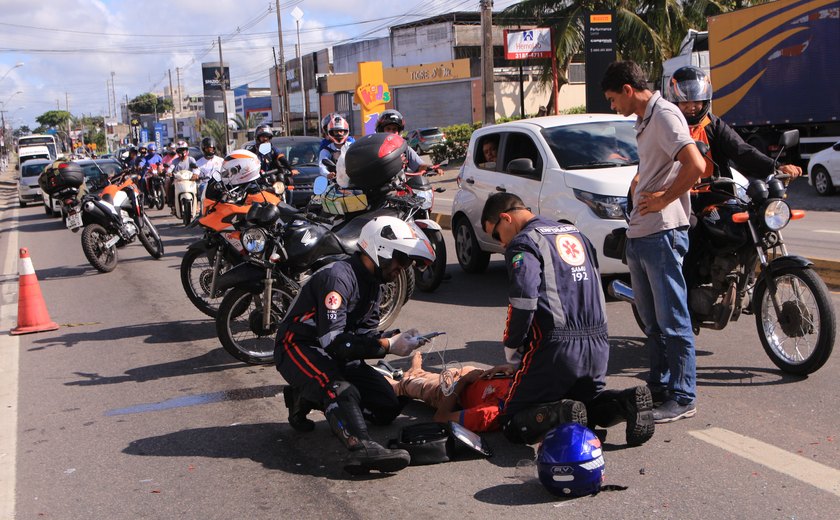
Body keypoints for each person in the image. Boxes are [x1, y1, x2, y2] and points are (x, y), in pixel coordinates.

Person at [480, 192, 655, 445]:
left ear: (506, 218)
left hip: (556, 347)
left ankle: (560, 414)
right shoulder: (575, 234)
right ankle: (625, 402)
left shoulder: (524, 242)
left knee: (511, 419)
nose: (502, 244)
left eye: (496, 235)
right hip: (597, 344)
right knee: (585, 405)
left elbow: (523, 299)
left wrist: (513, 345)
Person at [276, 215, 437, 475]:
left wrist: (398, 338)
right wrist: (387, 346)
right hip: (298, 346)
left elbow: (363, 337)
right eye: (402, 259)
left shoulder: (375, 287)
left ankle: (304, 396)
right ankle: (360, 446)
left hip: (333, 351)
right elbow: (335, 342)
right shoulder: (338, 279)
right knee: (340, 388)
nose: (403, 268)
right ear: (380, 249)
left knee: (387, 405)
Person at [601, 60, 706, 423]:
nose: (613, 106)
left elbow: (695, 164)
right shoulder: (645, 121)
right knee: (653, 322)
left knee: (673, 320)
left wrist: (663, 199)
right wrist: (640, 182)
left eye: (613, 99)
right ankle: (661, 386)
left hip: (662, 232)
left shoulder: (664, 115)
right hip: (641, 232)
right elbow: (659, 165)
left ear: (628, 90)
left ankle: (683, 395)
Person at [667, 66, 802, 181]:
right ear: (675, 102)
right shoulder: (667, 127)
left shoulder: (714, 125)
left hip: (715, 196)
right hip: (676, 198)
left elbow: (742, 151)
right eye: (685, 102)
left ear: (705, 101)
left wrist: (776, 167)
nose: (691, 107)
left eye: (697, 102)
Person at [385, 350, 514, 432]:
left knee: (400, 386)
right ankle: (417, 373)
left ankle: (405, 382)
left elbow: (441, 417)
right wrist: (506, 368)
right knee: (433, 378)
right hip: (464, 375)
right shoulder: (523, 386)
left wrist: (463, 381)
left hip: (449, 392)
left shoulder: (489, 413)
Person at [375, 110, 440, 175]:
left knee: (422, 183)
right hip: (378, 184)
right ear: (381, 130)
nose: (391, 132)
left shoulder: (404, 149)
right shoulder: (375, 148)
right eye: (388, 129)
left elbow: (419, 166)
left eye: (394, 129)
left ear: (399, 132)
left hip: (398, 184)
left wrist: (431, 167)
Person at [165, 140, 199, 214]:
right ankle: (172, 204)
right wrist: (169, 173)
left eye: (183, 150)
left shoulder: (191, 159)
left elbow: (196, 168)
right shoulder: (175, 161)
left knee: (198, 188)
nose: (182, 152)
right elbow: (171, 168)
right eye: (180, 150)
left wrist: (195, 174)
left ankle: (196, 205)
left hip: (190, 181)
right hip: (178, 181)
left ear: (187, 151)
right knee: (170, 186)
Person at [318, 113, 354, 177]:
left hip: (353, 177)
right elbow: (322, 166)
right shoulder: (325, 148)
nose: (339, 134)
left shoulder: (352, 145)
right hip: (335, 179)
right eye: (336, 131)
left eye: (341, 131)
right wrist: (328, 174)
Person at [196, 137, 223, 201]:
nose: (210, 150)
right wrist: (195, 176)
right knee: (203, 189)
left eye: (211, 148)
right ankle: (202, 209)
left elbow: (226, 172)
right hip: (205, 184)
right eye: (207, 149)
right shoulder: (198, 162)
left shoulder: (221, 160)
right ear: (203, 149)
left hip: (219, 184)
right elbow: (196, 174)